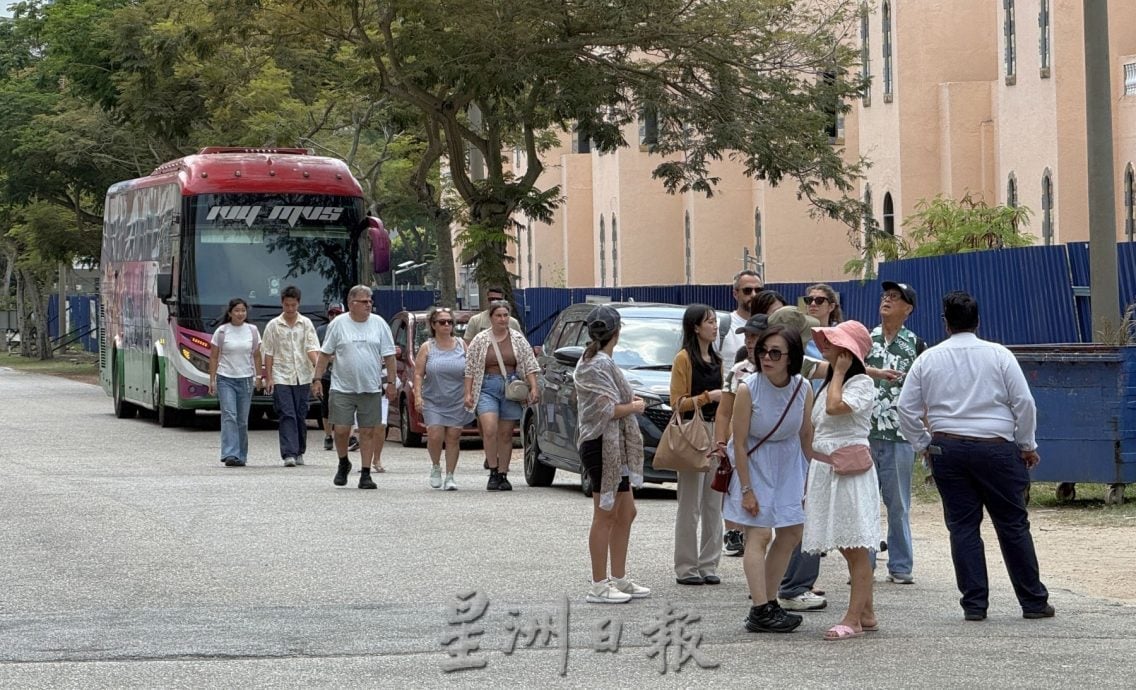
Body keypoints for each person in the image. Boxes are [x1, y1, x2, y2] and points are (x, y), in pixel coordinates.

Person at [897, 291, 1052, 622]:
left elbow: (906, 409)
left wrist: (923, 443)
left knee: (963, 527)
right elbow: (1023, 403)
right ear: (978, 321)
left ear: (945, 323)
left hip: (948, 448)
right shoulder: (998, 355)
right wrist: (1026, 444)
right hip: (997, 447)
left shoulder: (928, 359)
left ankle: (975, 604)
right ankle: (1033, 601)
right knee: (1012, 524)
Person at [724, 325, 814, 633]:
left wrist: (812, 475)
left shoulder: (803, 388)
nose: (767, 357)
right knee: (759, 535)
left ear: (791, 357)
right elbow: (738, 442)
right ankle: (759, 609)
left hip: (789, 463)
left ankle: (770, 600)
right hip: (755, 462)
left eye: (776, 352)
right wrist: (746, 489)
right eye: (763, 351)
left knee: (791, 532)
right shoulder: (749, 388)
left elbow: (805, 434)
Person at [802, 319, 881, 640]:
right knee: (847, 543)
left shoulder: (859, 383)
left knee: (854, 544)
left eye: (834, 344)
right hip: (827, 471)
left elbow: (835, 409)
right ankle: (867, 612)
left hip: (849, 473)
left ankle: (854, 619)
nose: (827, 348)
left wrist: (837, 373)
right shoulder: (831, 381)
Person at [573, 305, 652, 604]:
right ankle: (598, 584)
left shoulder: (595, 360)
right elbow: (607, 410)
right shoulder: (597, 365)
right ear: (616, 333)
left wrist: (630, 404)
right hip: (600, 443)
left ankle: (618, 577)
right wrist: (634, 406)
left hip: (614, 444)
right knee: (604, 514)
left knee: (626, 512)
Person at [866, 281, 925, 584]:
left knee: (898, 503)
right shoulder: (865, 338)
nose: (887, 300)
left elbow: (923, 389)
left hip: (900, 434)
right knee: (864, 501)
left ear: (908, 309)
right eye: (886, 295)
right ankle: (864, 566)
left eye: (896, 297)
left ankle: (900, 566)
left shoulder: (916, 345)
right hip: (864, 431)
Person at [312, 285, 397, 490]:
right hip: (342, 386)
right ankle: (343, 462)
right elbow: (324, 354)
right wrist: (316, 379)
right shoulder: (339, 324)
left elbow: (389, 355)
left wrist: (391, 383)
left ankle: (366, 473)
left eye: (370, 301)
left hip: (370, 387)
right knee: (340, 430)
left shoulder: (379, 324)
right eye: (364, 301)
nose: (369, 304)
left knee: (367, 431)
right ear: (351, 304)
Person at [670, 304, 724, 586]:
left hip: (717, 431)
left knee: (715, 503)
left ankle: (709, 563)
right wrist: (707, 397)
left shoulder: (718, 359)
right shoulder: (683, 359)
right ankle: (687, 567)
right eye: (709, 322)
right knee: (690, 503)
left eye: (715, 321)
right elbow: (677, 403)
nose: (714, 326)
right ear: (695, 327)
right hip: (693, 431)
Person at [464, 300, 540, 491]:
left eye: (505, 315)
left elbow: (529, 364)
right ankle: (492, 469)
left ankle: (503, 474)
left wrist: (534, 387)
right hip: (486, 387)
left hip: (510, 388)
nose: (502, 319)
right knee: (489, 429)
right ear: (491, 317)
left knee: (506, 434)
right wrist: (468, 392)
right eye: (498, 315)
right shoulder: (480, 340)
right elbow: (470, 368)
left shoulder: (518, 339)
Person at [719, 270, 763, 558]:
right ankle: (734, 532)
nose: (752, 296)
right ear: (736, 293)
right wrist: (721, 441)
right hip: (733, 408)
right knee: (735, 481)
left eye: (757, 290)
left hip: (763, 432)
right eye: (747, 291)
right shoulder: (726, 326)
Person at [414, 306, 473, 491]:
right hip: (433, 399)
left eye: (449, 322)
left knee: (454, 437)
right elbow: (417, 374)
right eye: (442, 322)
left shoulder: (462, 345)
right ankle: (436, 466)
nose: (446, 325)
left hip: (456, 399)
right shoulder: (427, 347)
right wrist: (418, 396)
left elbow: (470, 372)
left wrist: (468, 393)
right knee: (435, 435)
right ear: (433, 325)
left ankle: (450, 476)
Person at [262, 286, 321, 467]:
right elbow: (269, 353)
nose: (290, 309)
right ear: (282, 304)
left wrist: (317, 372)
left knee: (300, 413)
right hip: (281, 375)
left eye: (293, 305)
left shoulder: (306, 324)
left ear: (298, 304)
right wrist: (269, 377)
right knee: (287, 413)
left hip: (302, 375)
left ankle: (300, 450)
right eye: (287, 305)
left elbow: (312, 348)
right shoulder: (273, 325)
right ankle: (289, 452)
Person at [208, 298, 262, 467]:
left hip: (245, 379)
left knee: (242, 419)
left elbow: (256, 355)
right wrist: (212, 380)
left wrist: (259, 377)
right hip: (225, 378)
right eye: (237, 311)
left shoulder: (252, 331)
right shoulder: (222, 332)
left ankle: (241, 455)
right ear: (230, 313)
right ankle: (230, 453)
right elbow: (214, 356)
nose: (240, 314)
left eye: (243, 311)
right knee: (229, 415)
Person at [316, 302, 345, 451]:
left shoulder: (347, 328)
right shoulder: (321, 330)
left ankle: (350, 435)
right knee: (326, 404)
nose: (334, 316)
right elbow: (316, 351)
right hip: (327, 374)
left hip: (345, 374)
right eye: (331, 313)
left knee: (347, 405)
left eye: (337, 313)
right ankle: (328, 435)